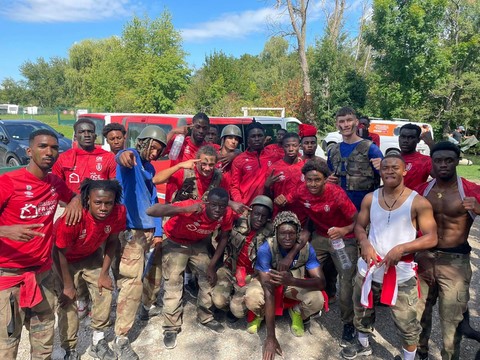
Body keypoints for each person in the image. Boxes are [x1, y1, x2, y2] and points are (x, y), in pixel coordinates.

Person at [341, 154, 437, 360]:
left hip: (400, 273)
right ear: (380, 171)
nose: (390, 171)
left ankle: (408, 357)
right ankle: (363, 345)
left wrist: (402, 248)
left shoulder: (418, 202)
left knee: (406, 321)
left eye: (395, 167)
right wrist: (365, 244)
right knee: (362, 310)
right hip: (369, 268)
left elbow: (431, 238)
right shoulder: (371, 198)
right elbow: (359, 225)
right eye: (386, 168)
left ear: (404, 171)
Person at [0, 129, 81, 359]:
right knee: (7, 344)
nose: (49, 152)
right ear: (29, 151)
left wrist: (74, 200)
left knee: (44, 336)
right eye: (43, 146)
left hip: (43, 275)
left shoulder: (55, 183)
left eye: (54, 148)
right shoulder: (8, 183)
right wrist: (5, 230)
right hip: (9, 278)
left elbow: (73, 195)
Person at [415, 141, 480, 360]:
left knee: (451, 321)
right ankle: (421, 354)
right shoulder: (422, 190)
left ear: (457, 161)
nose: (443, 165)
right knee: (418, 315)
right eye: (438, 160)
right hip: (424, 258)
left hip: (455, 260)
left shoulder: (470, 190)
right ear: (431, 162)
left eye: (449, 160)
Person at [146, 188, 234, 349]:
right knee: (173, 283)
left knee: (208, 278)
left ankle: (205, 317)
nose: (218, 210)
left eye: (222, 206)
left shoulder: (226, 214)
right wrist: (184, 209)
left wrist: (212, 266)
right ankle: (171, 327)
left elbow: (224, 239)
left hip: (198, 243)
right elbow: (151, 211)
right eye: (214, 205)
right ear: (207, 203)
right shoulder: (192, 206)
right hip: (175, 241)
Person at [286, 159, 358, 347]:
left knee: (347, 279)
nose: (312, 184)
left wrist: (343, 230)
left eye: (317, 180)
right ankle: (302, 307)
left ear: (325, 179)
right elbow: (285, 200)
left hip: (344, 238)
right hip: (320, 235)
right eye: (309, 179)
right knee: (302, 264)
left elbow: (358, 220)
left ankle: (348, 323)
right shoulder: (301, 191)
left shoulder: (336, 194)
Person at [55, 179, 126, 360]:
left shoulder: (118, 213)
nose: (103, 207)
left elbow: (112, 241)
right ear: (87, 200)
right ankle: (69, 348)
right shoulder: (73, 218)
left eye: (108, 203)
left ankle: (98, 341)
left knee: (104, 291)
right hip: (64, 259)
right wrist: (68, 286)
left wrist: (104, 274)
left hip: (91, 255)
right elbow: (59, 252)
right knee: (67, 301)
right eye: (98, 202)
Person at [113, 125, 167, 359]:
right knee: (131, 282)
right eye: (152, 147)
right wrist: (122, 153)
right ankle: (121, 338)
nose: (154, 153)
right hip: (132, 231)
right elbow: (122, 156)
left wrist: (158, 230)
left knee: (154, 271)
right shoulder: (133, 158)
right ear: (142, 142)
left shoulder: (149, 167)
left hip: (148, 230)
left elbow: (153, 199)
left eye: (159, 150)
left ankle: (146, 307)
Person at [245, 211, 325, 360]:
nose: (287, 238)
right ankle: (260, 313)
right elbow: (268, 289)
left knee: (317, 300)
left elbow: (321, 282)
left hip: (292, 280)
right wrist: (270, 338)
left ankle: (297, 311)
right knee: (252, 297)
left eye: (291, 233)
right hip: (268, 281)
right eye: (282, 233)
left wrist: (293, 281)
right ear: (276, 233)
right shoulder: (266, 248)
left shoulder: (307, 248)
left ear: (298, 234)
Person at [212, 195, 274, 322]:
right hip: (230, 270)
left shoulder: (272, 233)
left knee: (238, 311)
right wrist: (230, 203)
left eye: (264, 216)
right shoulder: (237, 221)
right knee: (218, 301)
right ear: (250, 212)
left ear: (268, 218)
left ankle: (252, 312)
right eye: (256, 214)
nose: (259, 219)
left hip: (253, 275)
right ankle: (228, 301)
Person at [327, 107, 383, 211]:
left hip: (365, 210)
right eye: (342, 121)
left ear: (356, 122)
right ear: (337, 125)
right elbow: (329, 177)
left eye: (349, 120)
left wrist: (383, 168)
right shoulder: (333, 151)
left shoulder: (371, 149)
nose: (346, 125)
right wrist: (328, 180)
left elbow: (387, 177)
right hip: (339, 209)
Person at [52, 118, 117, 194]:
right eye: (82, 132)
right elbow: (56, 188)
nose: (86, 135)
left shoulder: (108, 157)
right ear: (75, 136)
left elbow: (114, 187)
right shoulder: (63, 158)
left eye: (90, 132)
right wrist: (70, 204)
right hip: (72, 204)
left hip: (99, 204)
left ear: (95, 136)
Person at [231, 121, 279, 206]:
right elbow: (234, 187)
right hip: (246, 207)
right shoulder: (239, 160)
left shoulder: (274, 156)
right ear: (248, 139)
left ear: (264, 137)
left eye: (260, 135)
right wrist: (240, 204)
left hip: (269, 207)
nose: (257, 139)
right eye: (253, 136)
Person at [264, 132, 305, 217]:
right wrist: (267, 187)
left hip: (302, 216)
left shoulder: (306, 167)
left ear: (299, 146)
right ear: (282, 146)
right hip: (280, 215)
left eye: (294, 145)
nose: (291, 149)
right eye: (287, 146)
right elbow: (269, 196)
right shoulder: (274, 168)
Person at [398, 123, 433, 189]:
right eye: (403, 137)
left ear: (418, 140)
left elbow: (442, 178)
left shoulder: (425, 161)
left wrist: (431, 144)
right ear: (399, 138)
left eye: (410, 137)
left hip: (415, 198)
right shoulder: (391, 160)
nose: (405, 141)